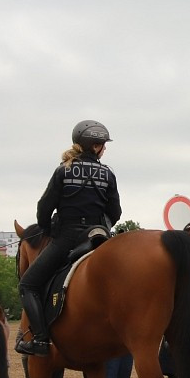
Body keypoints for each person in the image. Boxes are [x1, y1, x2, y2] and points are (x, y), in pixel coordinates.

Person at [17, 120, 122, 356]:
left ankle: (41, 340)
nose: (104, 149)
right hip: (97, 237)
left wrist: (49, 229)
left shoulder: (63, 170)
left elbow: (43, 209)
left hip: (67, 239)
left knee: (28, 285)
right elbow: (115, 213)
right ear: (95, 147)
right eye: (103, 145)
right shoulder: (108, 174)